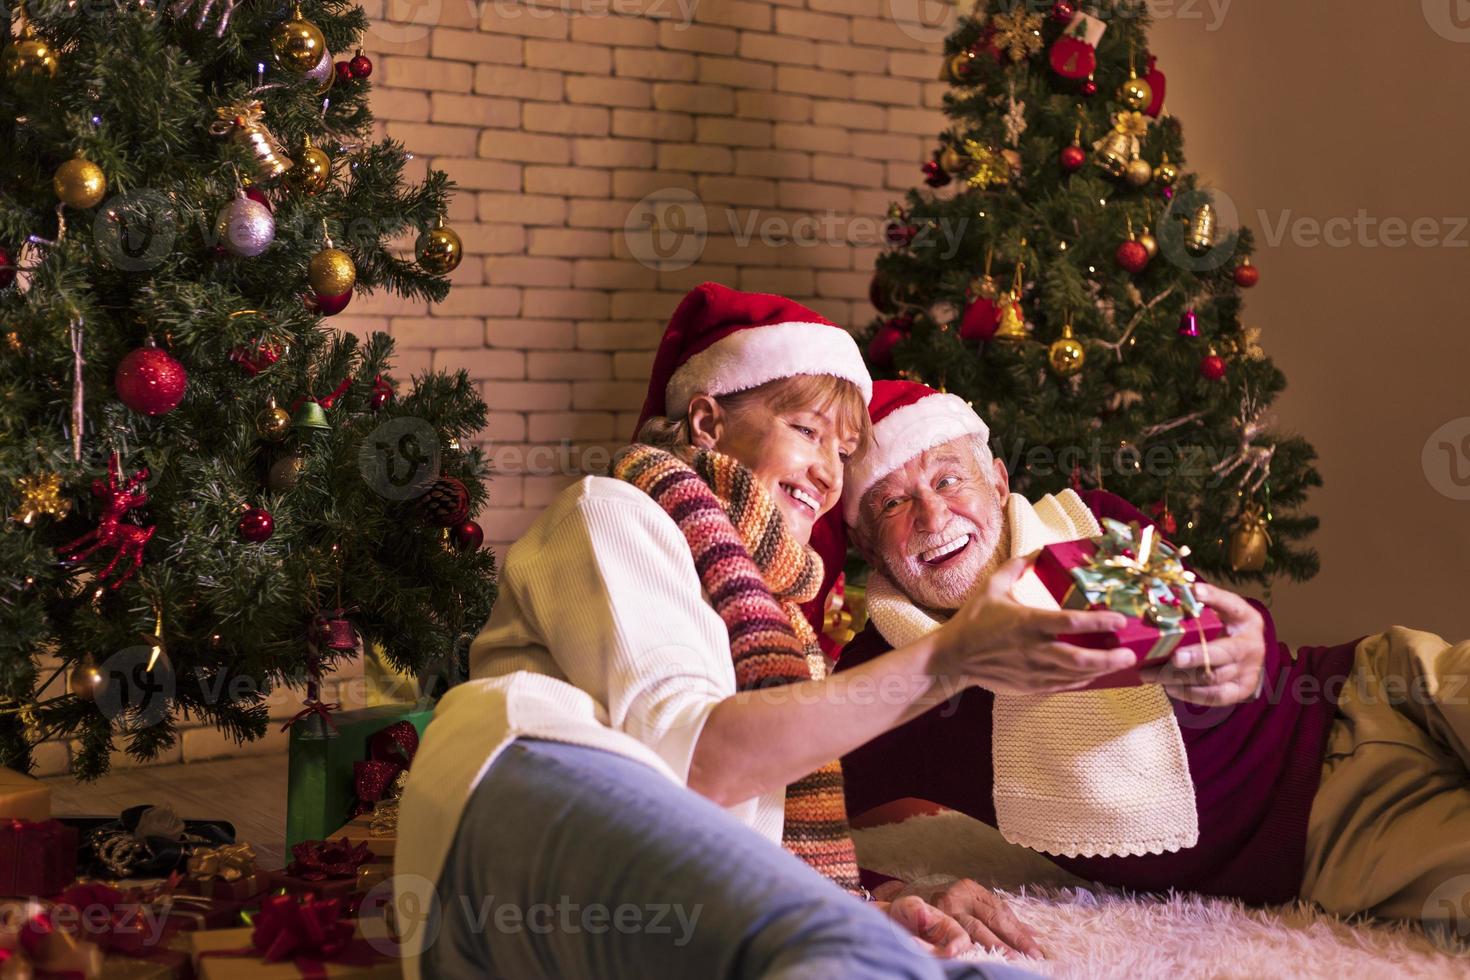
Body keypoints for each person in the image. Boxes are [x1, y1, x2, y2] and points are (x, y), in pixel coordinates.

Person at [393, 284, 1140, 980]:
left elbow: (737, 823)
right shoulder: (615, 511)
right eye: (807, 431)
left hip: (616, 880)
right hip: (514, 794)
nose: (825, 472)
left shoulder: (774, 611)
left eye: (842, 455)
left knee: (844, 947)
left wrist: (865, 898)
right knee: (844, 957)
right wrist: (949, 659)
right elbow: (698, 764)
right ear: (708, 422)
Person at [837, 379, 1470, 922]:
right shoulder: (888, 681)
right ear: (868, 545)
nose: (931, 513)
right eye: (892, 502)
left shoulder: (1084, 529)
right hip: (1330, 823)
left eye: (949, 479)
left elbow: (1204, 633)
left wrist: (1246, 644)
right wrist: (890, 897)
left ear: (998, 482)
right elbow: (764, 822)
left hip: (1368, 682)